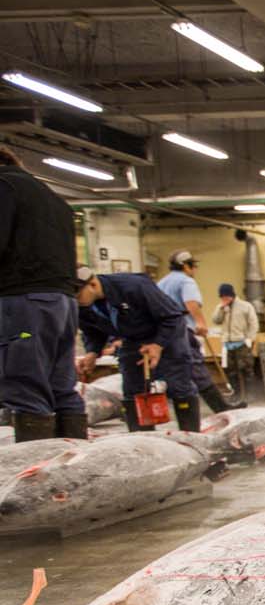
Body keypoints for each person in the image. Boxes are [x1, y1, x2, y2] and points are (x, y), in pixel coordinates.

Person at [0, 145, 87, 441]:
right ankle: (75, 473)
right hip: (62, 303)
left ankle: (36, 482)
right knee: (61, 386)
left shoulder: (4, 187)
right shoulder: (53, 198)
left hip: (23, 302)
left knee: (23, 384)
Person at [76, 266, 201, 431]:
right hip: (133, 339)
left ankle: (191, 437)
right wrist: (92, 352)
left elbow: (172, 317)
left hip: (167, 333)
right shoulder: (82, 305)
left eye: (77, 295)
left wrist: (158, 345)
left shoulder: (134, 286)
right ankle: (141, 441)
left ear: (92, 284)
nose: (75, 300)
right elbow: (92, 331)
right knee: (132, 389)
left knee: (178, 386)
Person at [156, 250, 242, 411]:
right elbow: (191, 303)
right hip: (181, 331)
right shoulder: (186, 281)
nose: (194, 270)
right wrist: (201, 323)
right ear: (186, 266)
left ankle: (182, 409)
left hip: (162, 335)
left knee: (176, 371)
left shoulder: (162, 283)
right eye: (193, 266)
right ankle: (221, 408)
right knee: (196, 367)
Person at [212, 283, 259, 402]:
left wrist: (250, 338)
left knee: (246, 370)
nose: (224, 299)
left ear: (232, 295)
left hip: (241, 343)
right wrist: (221, 309)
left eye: (226, 297)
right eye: (222, 297)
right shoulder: (222, 307)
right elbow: (216, 320)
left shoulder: (245, 306)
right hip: (227, 343)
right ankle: (236, 394)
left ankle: (250, 395)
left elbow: (253, 324)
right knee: (231, 372)